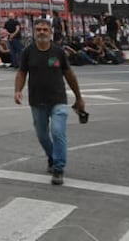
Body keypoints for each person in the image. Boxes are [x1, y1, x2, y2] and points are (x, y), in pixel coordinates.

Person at [14, 16, 85, 185]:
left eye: (45, 29)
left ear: (51, 32)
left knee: (58, 131)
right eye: (38, 29)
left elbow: (69, 74)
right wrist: (18, 90)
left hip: (58, 99)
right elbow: (22, 72)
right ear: (33, 32)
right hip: (37, 100)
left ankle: (58, 168)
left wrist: (79, 97)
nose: (42, 32)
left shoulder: (58, 52)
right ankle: (52, 157)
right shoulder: (28, 52)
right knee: (42, 135)